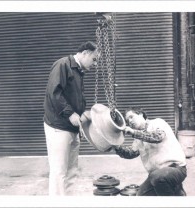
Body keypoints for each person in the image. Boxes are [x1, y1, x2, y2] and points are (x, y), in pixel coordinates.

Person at [43, 41, 98, 195]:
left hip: (73, 127)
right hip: (58, 127)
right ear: (85, 53)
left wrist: (81, 115)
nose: (95, 64)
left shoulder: (79, 71)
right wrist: (70, 113)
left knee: (72, 171)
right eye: (94, 59)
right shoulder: (63, 65)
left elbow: (75, 97)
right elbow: (54, 93)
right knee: (59, 172)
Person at [111, 107, 187, 196]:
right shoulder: (138, 138)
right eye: (127, 120)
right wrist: (114, 145)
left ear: (141, 114)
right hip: (156, 175)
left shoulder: (157, 123)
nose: (130, 122)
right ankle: (177, 191)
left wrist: (133, 132)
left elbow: (157, 137)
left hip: (175, 168)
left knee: (158, 178)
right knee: (141, 195)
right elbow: (131, 153)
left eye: (131, 117)